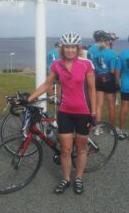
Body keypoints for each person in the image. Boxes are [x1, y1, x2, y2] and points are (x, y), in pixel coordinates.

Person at [28, 32, 96, 195]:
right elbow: (46, 84)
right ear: (62, 48)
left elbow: (92, 88)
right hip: (64, 112)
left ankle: (78, 178)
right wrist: (29, 98)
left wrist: (94, 112)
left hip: (83, 112)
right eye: (67, 47)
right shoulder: (57, 65)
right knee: (65, 150)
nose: (70, 50)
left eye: (73, 47)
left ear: (78, 48)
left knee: (80, 148)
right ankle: (65, 179)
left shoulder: (86, 64)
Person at [92, 31, 118, 129]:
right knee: (111, 105)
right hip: (109, 79)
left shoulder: (97, 53)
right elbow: (112, 70)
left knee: (99, 105)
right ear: (109, 43)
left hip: (98, 79)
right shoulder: (112, 53)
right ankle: (112, 128)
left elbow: (94, 68)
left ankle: (97, 128)